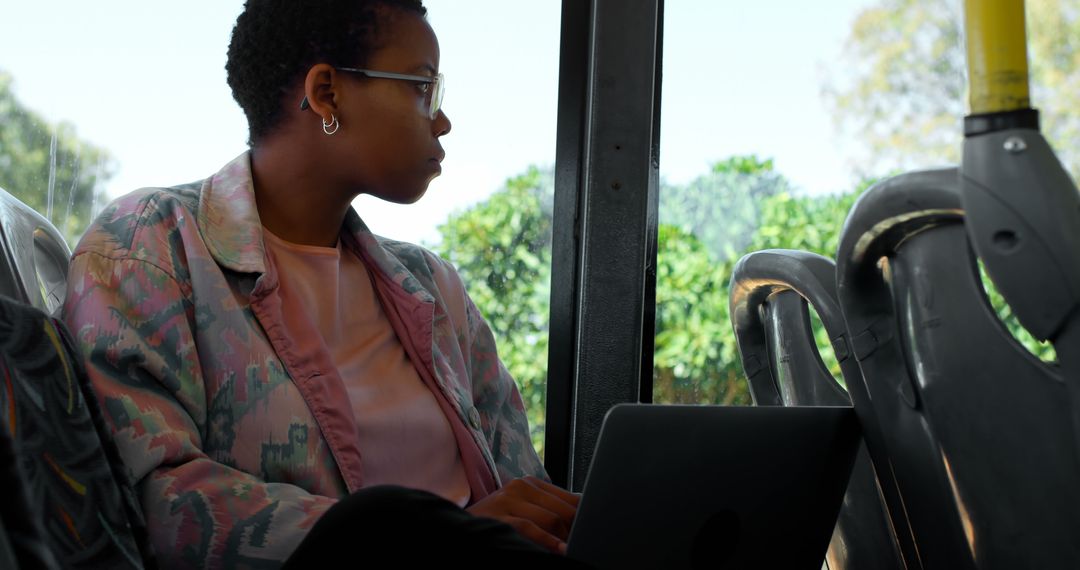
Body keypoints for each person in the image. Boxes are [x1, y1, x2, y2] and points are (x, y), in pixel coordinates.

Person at [61, 1, 582, 567]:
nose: (443, 121)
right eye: (423, 88)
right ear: (327, 93)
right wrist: (427, 541)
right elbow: (150, 501)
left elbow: (525, 492)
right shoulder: (151, 244)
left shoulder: (435, 291)